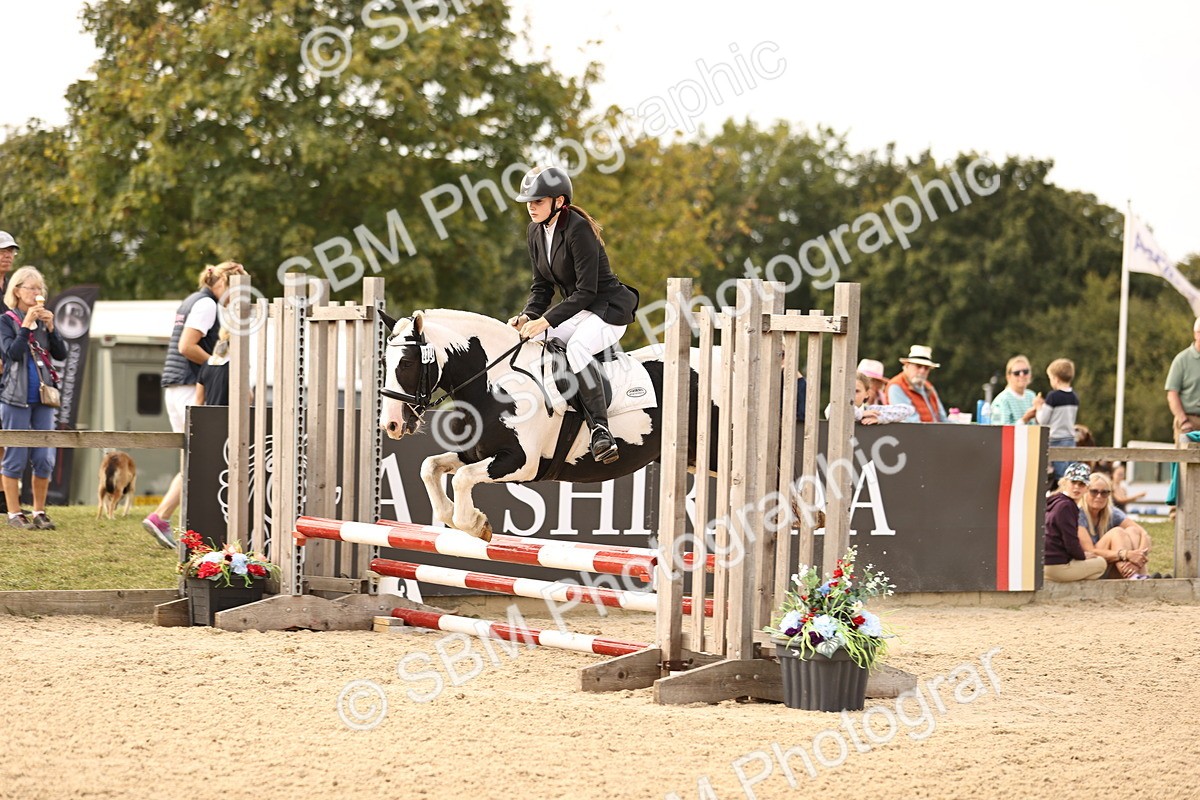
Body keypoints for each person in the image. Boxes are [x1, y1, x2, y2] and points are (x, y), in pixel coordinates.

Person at [508, 166, 639, 464]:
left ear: (559, 201)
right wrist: (528, 317)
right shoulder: (535, 231)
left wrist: (548, 320)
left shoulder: (578, 228)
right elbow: (541, 287)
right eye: (529, 201)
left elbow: (587, 292)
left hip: (608, 309)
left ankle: (600, 430)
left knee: (578, 347)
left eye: (538, 201)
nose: (531, 206)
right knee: (530, 340)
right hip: (578, 310)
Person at [143, 261, 246, 548]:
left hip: (178, 385)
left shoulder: (193, 300)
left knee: (190, 458)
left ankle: (172, 521)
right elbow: (187, 346)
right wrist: (219, 366)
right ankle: (161, 517)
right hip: (189, 385)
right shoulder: (207, 305)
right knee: (198, 459)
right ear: (224, 283)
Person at [0, 266, 67, 530]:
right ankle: (14, 513)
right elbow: (11, 353)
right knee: (14, 455)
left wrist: (51, 328)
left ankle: (39, 511)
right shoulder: (6, 320)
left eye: (40, 289)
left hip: (43, 398)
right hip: (15, 397)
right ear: (16, 291)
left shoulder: (44, 322)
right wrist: (26, 325)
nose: (37, 293)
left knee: (44, 457)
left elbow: (60, 354)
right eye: (31, 288)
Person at [1077, 471, 1151, 579]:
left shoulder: (1112, 512)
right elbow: (1090, 551)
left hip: (1113, 567)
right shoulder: (1078, 514)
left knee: (1133, 531)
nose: (1099, 496)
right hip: (1091, 567)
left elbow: (1144, 534)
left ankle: (1139, 576)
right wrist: (1126, 554)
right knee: (1117, 532)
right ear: (1085, 492)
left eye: (1104, 493)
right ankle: (1136, 576)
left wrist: (1137, 560)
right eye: (1094, 491)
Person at [1043, 462, 1106, 582]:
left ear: (1087, 488)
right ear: (1064, 482)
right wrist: (1082, 556)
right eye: (1073, 482)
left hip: (1042, 564)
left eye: (1081, 484)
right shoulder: (1067, 506)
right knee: (1101, 563)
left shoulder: (1053, 501)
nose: (1077, 487)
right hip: (1056, 566)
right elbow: (1070, 540)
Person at [0, 232, 19, 514]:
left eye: (11, 251)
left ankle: (5, 498)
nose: (7, 255)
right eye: (2, 251)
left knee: (5, 433)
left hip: (9, 371)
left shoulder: (12, 289)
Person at [1036, 358, 1079, 482]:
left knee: (1060, 477)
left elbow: (1043, 420)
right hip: (1071, 440)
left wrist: (1039, 407)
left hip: (1056, 440)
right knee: (1071, 476)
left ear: (1056, 379)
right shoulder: (1074, 397)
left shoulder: (1053, 396)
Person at [886, 345, 947, 422]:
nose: (922, 371)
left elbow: (943, 418)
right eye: (918, 366)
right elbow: (911, 422)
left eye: (926, 368)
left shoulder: (928, 386)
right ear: (907, 366)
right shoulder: (896, 386)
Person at [825, 373, 913, 424]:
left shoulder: (871, 411)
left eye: (856, 391)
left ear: (867, 394)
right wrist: (861, 414)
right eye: (847, 391)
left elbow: (907, 410)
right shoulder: (835, 406)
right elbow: (833, 411)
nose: (851, 395)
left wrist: (881, 418)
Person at [1165, 316, 1200, 444]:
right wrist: (1183, 420)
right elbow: (1172, 394)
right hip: (1189, 421)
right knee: (1186, 462)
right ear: (1196, 334)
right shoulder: (1182, 360)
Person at [989, 354, 1040, 425]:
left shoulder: (1032, 396)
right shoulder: (1003, 400)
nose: (1021, 375)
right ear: (1008, 377)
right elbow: (1002, 431)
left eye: (1025, 372)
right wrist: (1025, 419)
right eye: (1017, 373)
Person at [195, 328, 230, 406]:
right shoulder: (234, 367)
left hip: (209, 415)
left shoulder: (206, 364)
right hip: (228, 416)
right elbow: (248, 397)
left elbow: (198, 401)